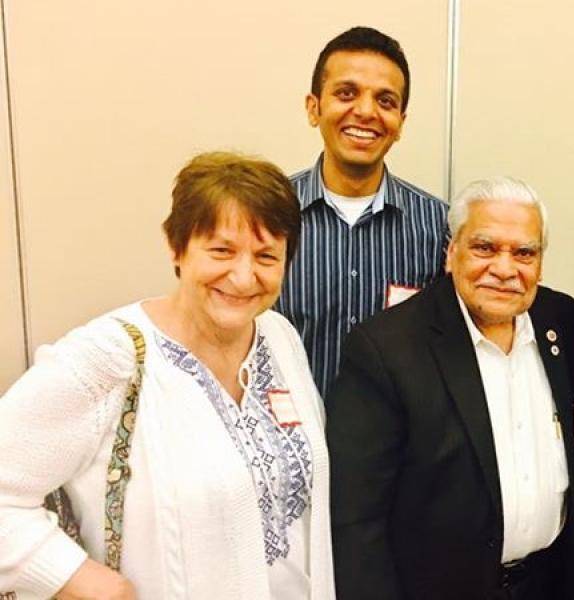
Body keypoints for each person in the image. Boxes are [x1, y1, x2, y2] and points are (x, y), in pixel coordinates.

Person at [0, 152, 335, 600]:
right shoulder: (108, 360)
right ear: (176, 246)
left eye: (266, 256)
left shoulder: (279, 336)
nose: (243, 276)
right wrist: (81, 580)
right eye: (221, 250)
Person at [327, 177, 574, 600]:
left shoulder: (561, 320)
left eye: (524, 252)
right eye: (484, 248)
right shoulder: (387, 348)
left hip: (547, 583)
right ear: (452, 254)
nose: (504, 269)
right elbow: (355, 519)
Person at [276, 26, 449, 400]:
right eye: (346, 93)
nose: (366, 111)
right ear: (313, 108)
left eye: (386, 101)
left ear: (401, 122)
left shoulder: (439, 227)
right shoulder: (268, 213)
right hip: (288, 449)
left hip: (399, 453)